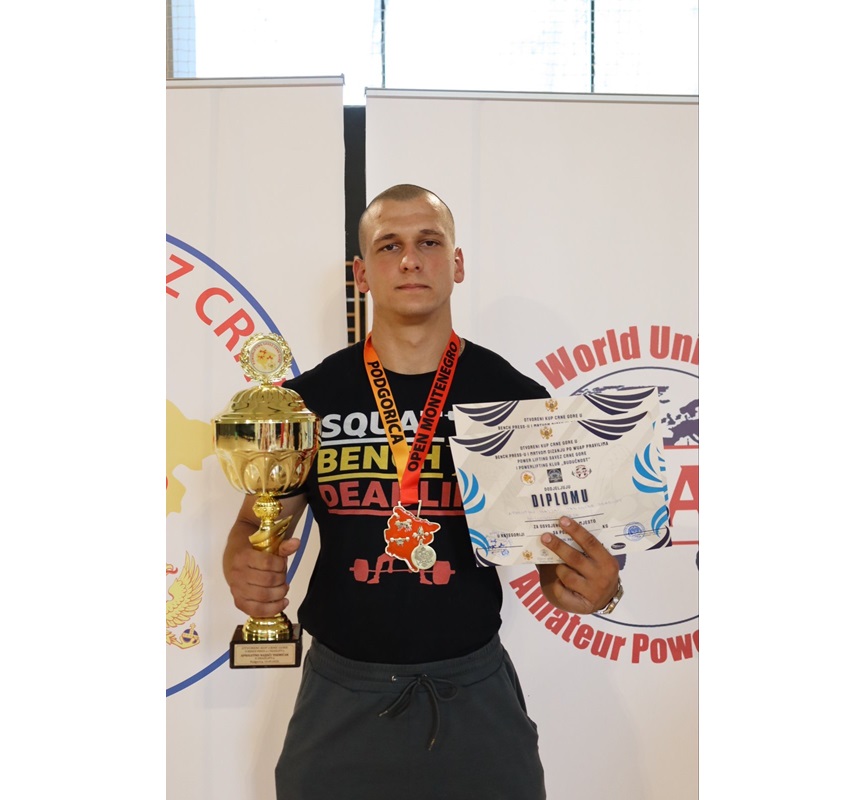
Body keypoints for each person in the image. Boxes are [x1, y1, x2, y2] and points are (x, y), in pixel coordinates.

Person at [223, 184, 621, 800]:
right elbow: (257, 524)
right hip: (340, 698)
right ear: (362, 274)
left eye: (429, 242)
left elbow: (558, 559)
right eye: (389, 245)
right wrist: (242, 564)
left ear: (456, 264)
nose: (410, 259)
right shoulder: (308, 401)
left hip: (474, 696)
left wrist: (595, 587)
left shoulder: (515, 400)